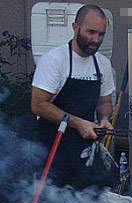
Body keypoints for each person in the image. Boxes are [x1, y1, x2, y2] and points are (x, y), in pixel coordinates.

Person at [31, 4, 116, 190]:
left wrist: (103, 119)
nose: (96, 39)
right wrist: (78, 123)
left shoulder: (103, 64)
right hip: (51, 152)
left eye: (101, 34)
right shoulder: (54, 60)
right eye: (91, 32)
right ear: (75, 27)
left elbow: (105, 102)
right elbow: (38, 105)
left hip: (84, 154)